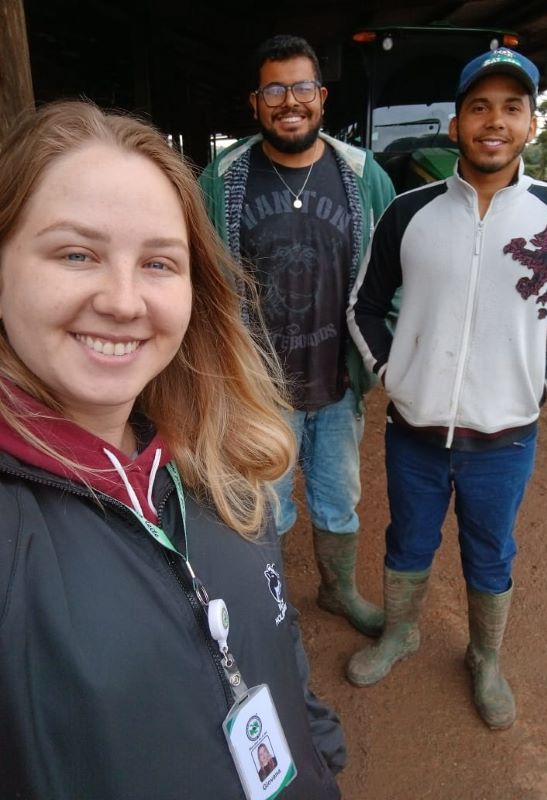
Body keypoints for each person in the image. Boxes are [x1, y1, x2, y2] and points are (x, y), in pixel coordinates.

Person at [0, 99, 346, 800]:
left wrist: (319, 753)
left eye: (158, 262)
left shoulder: (222, 459)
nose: (124, 301)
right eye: (76, 254)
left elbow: (276, 641)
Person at [345, 47, 547, 729]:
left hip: (505, 438)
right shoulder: (410, 211)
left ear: (532, 124)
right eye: (480, 107)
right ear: (456, 123)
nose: (495, 121)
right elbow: (363, 306)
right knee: (408, 540)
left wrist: (543, 382)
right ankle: (401, 633)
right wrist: (392, 374)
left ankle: (485, 658)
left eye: (512, 108)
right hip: (415, 433)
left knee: (491, 551)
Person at [200, 34, 396, 637]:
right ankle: (274, 604)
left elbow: (394, 273)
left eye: (303, 87)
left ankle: (339, 592)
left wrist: (380, 355)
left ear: (322, 97)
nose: (291, 101)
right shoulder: (222, 180)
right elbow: (200, 280)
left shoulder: (362, 175)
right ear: (255, 102)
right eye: (275, 90)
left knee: (339, 499)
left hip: (338, 381)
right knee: (268, 505)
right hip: (260, 389)